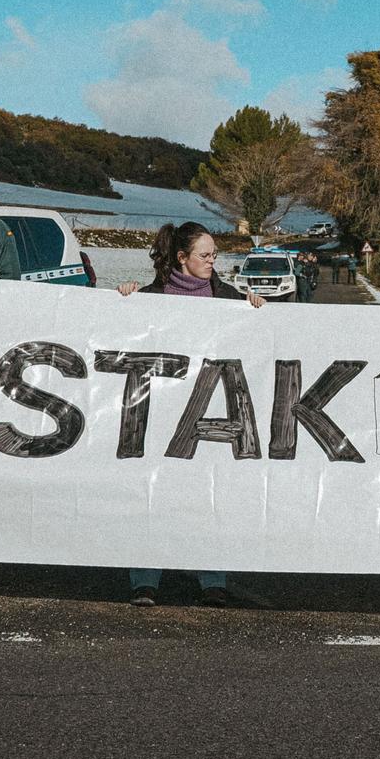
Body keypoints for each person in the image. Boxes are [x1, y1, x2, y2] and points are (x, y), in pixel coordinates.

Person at [115, 221, 266, 608]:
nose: (212, 261)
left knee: (208, 493)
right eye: (205, 255)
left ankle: (212, 581)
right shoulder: (152, 296)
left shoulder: (228, 297)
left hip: (210, 413)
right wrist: (123, 301)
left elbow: (259, 339)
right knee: (153, 492)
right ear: (182, 258)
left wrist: (257, 310)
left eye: (214, 254)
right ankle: (145, 582)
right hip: (161, 410)